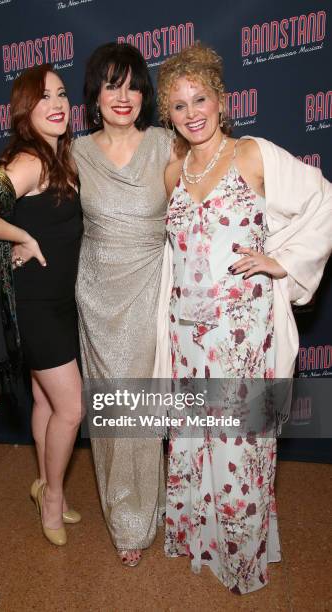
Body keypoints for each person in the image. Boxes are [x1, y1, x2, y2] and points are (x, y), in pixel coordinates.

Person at [155, 43, 332, 593]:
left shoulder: (252, 155)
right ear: (169, 116)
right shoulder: (172, 173)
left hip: (241, 336)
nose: (192, 113)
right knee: (190, 437)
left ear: (222, 100)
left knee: (240, 444)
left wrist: (282, 263)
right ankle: (203, 542)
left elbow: (323, 199)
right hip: (187, 334)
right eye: (179, 106)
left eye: (200, 98)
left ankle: (244, 553)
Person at [0, 64, 83, 547]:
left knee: (47, 400)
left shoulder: (60, 159)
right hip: (34, 306)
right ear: (24, 111)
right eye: (42, 97)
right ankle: (52, 497)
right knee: (70, 409)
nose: (56, 104)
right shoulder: (30, 160)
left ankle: (46, 485)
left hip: (58, 301)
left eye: (61, 94)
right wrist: (22, 235)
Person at [72, 42, 174, 567]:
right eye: (112, 84)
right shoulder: (74, 153)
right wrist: (19, 239)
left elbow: (210, 188)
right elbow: (44, 209)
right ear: (94, 94)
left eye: (134, 84)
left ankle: (148, 511)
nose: (124, 95)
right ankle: (124, 514)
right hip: (96, 294)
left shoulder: (166, 143)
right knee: (111, 409)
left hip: (150, 288)